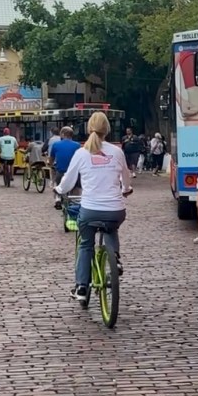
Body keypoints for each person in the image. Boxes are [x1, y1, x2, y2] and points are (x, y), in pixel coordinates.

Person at [54, 112, 133, 305]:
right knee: (111, 226)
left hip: (89, 210)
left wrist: (59, 190)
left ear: (89, 129)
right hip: (115, 210)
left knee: (85, 244)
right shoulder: (117, 151)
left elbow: (68, 182)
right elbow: (126, 177)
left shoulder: (81, 153)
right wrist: (125, 189)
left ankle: (81, 286)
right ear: (108, 130)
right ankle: (115, 257)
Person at [50, 126, 81, 207]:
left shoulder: (56, 144)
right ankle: (74, 200)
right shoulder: (77, 145)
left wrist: (50, 165)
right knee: (75, 186)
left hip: (61, 170)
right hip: (73, 172)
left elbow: (52, 158)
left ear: (63, 134)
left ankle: (58, 199)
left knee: (57, 182)